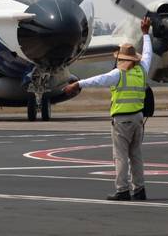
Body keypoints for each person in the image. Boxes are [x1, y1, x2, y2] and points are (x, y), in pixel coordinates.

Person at [64, 17, 152, 201]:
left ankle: (122, 190)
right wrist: (146, 34)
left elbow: (98, 79)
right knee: (136, 155)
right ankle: (140, 189)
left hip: (121, 122)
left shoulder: (118, 74)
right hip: (138, 119)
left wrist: (77, 84)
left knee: (120, 156)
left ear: (121, 59)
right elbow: (149, 54)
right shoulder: (142, 69)